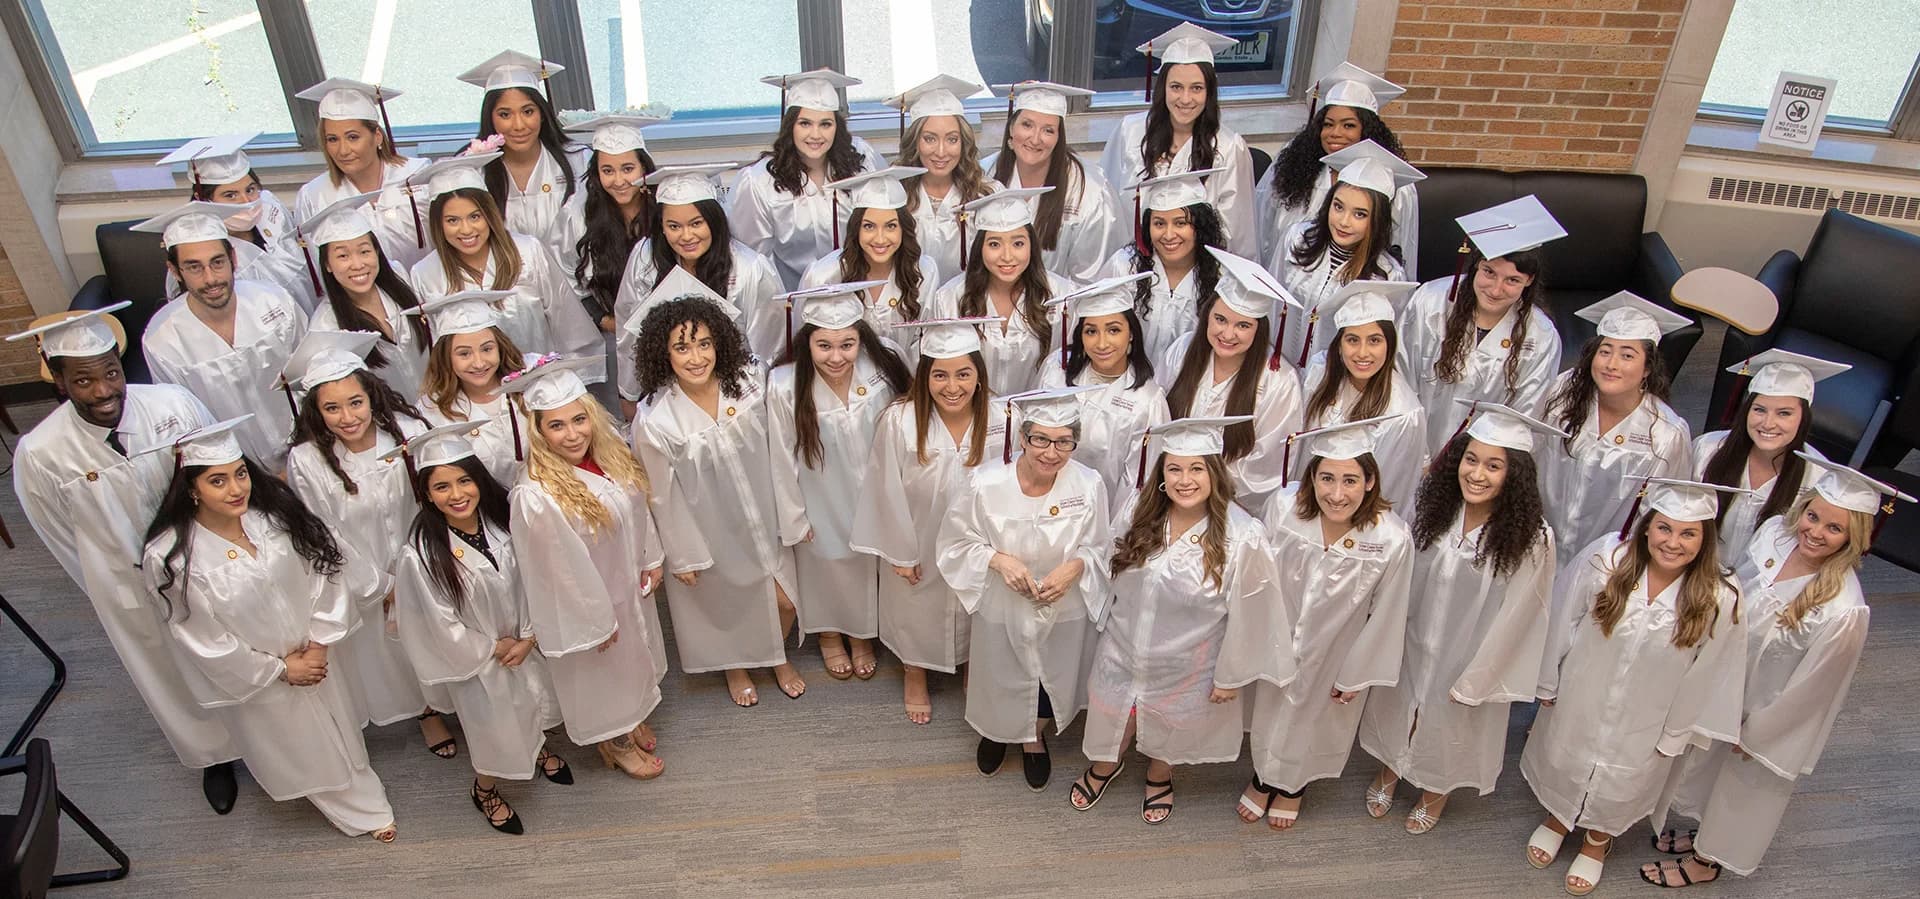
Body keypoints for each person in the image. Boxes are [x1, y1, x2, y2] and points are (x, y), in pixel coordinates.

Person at [8, 305, 238, 813]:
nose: (104, 390)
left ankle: (263, 738)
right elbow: (59, 536)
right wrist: (110, 584)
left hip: (205, 559)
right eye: (84, 380)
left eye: (111, 373)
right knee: (165, 668)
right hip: (126, 580)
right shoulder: (41, 453)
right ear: (61, 381)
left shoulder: (172, 405)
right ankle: (214, 755)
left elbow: (221, 469)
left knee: (234, 646)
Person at [1644, 456, 1902, 887]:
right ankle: (1699, 833)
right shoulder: (1772, 536)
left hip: (1767, 711)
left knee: (1742, 786)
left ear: (1853, 538)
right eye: (1814, 516)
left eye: (1834, 528)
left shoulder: (1844, 608)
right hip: (1726, 681)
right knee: (1705, 767)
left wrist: (1761, 732)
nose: (1816, 532)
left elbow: (1814, 690)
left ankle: (1708, 861)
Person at [139, 417, 397, 841]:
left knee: (339, 726)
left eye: (240, 474)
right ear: (192, 489)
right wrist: (280, 669)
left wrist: (318, 643)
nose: (236, 488)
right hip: (263, 675)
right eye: (217, 481)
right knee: (298, 742)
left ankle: (357, 780)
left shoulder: (275, 518)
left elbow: (325, 573)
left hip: (316, 655)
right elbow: (200, 637)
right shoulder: (172, 557)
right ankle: (356, 807)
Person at [1524, 478, 1748, 896]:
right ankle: (1557, 817)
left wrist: (1676, 731)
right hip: (1584, 690)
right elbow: (1563, 615)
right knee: (1566, 753)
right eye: (1664, 528)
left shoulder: (1719, 596)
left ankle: (1597, 839)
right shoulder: (1608, 558)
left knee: (1626, 776)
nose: (1673, 542)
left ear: (1706, 539)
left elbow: (1711, 673)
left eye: (1688, 533)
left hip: (1651, 711)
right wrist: (1546, 679)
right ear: (1647, 526)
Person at [1074, 416, 1294, 824]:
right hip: (1122, 647)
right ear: (1161, 474)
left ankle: (1160, 774)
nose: (1184, 480)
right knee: (1111, 710)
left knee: (1171, 723)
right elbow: (1109, 563)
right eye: (1174, 468)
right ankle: (1107, 763)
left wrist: (1231, 675)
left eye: (1196, 468)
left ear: (1214, 472)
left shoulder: (1243, 536)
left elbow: (1256, 610)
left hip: (1188, 661)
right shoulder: (1140, 510)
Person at [1356, 402, 1560, 834]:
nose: (1477, 474)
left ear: (1515, 475)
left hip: (1470, 652)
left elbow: (1522, 615)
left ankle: (1436, 790)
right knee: (1400, 705)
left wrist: (1481, 677)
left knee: (1453, 722)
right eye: (1470, 459)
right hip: (1415, 636)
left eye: (1493, 466)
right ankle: (1392, 768)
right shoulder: (1434, 507)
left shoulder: (1533, 538)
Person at [628, 277, 808, 707]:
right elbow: (661, 495)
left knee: (784, 599)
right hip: (710, 527)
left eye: (705, 344)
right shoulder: (655, 419)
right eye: (682, 347)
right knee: (726, 604)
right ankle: (737, 665)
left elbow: (781, 444)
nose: (696, 357)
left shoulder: (747, 381)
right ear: (663, 353)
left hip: (764, 513)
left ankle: (775, 652)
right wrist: (684, 554)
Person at [387, 422, 573, 834]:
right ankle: (485, 789)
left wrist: (529, 637)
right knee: (495, 733)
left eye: (464, 481)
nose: (456, 495)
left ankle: (539, 752)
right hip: (480, 662)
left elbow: (534, 579)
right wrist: (495, 646)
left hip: (525, 644)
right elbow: (436, 623)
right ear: (426, 494)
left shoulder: (504, 522)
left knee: (535, 705)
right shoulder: (420, 555)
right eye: (441, 487)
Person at [281, 331, 456, 754]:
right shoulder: (307, 461)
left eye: (355, 402)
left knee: (445, 634)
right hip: (364, 575)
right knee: (392, 653)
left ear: (372, 396)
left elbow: (435, 497)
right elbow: (324, 532)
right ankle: (426, 712)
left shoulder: (408, 433)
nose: (347, 416)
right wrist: (380, 585)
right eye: (332, 408)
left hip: (424, 558)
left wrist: (428, 561)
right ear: (316, 411)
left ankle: (457, 701)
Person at [1240, 417, 1414, 830]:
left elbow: (1390, 611)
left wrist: (1359, 673)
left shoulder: (1391, 538)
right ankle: (1263, 777)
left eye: (1351, 480)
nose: (1337, 494)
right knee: (1271, 711)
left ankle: (1294, 786)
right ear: (1312, 478)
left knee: (1316, 717)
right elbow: (1256, 576)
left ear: (1370, 481)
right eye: (1327, 478)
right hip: (1279, 636)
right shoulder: (1283, 509)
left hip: (1337, 650)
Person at [938, 386, 1113, 791]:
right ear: (1022, 437)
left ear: (1074, 442)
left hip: (1062, 602)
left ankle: (1034, 735)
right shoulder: (985, 482)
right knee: (999, 668)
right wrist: (998, 561)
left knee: (1050, 671)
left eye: (1064, 442)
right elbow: (956, 542)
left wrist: (1076, 567)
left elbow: (1101, 544)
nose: (1051, 452)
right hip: (1004, 602)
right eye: (1040, 440)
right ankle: (997, 731)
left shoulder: (1088, 485)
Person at [501, 355, 668, 778]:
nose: (572, 434)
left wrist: (650, 557)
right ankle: (615, 741)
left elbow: (636, 505)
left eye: (579, 419)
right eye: (556, 425)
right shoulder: (536, 495)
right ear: (538, 430)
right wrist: (594, 622)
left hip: (627, 584)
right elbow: (553, 572)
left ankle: (631, 716)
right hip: (593, 609)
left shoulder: (610, 455)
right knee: (601, 677)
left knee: (635, 660)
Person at [851, 317, 1006, 724]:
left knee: (979, 604)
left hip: (980, 543)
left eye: (963, 374)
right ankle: (914, 672)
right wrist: (900, 552)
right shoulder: (900, 420)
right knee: (916, 607)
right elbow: (884, 490)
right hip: (919, 537)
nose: (951, 386)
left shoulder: (1005, 418)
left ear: (979, 375)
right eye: (939, 374)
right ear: (924, 375)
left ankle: (976, 665)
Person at [767, 283, 914, 680]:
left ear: (860, 337)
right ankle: (830, 635)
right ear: (807, 343)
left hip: (873, 491)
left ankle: (863, 634)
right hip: (818, 494)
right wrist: (793, 518)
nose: (837, 357)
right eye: (824, 346)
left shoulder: (883, 368)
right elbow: (780, 456)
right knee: (827, 563)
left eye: (847, 344)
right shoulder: (783, 384)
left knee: (866, 563)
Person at [135, 201, 309, 472]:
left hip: (306, 447)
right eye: (194, 267)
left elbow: (311, 373)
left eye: (217, 262)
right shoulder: (162, 341)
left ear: (233, 259)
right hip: (234, 469)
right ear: (174, 270)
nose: (210, 279)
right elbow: (186, 423)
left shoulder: (275, 303)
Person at [1538, 292, 1695, 568]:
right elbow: (1533, 453)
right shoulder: (1564, 394)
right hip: (1540, 545)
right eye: (1605, 351)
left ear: (1647, 368)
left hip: (1608, 564)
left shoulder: (1665, 434)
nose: (1611, 365)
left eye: (1627, 355)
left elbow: (1664, 510)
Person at [1398, 196, 1566, 452]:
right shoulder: (1429, 303)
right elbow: (1401, 377)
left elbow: (1524, 415)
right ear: (1476, 265)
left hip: (1483, 461)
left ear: (1529, 280)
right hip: (1412, 447)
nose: (1496, 290)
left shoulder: (1540, 336)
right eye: (1489, 272)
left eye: (1512, 280)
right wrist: (1416, 455)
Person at [614, 163, 786, 407]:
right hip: (666, 395)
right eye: (674, 226)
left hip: (735, 396)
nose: (686, 237)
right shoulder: (645, 258)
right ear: (661, 227)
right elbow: (628, 328)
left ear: (714, 222)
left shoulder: (750, 269)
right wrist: (629, 394)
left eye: (696, 223)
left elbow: (770, 348)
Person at [408, 152, 602, 361]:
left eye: (475, 216)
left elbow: (568, 324)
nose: (466, 229)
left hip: (539, 383)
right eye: (452, 220)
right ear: (438, 224)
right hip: (474, 390)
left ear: (489, 214)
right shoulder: (425, 274)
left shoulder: (528, 251)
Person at [1157, 249, 1305, 512]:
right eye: (1220, 319)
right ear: (1207, 316)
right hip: (1168, 492)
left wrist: (1196, 487)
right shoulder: (1182, 351)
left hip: (1230, 508)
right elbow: (1156, 421)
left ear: (1260, 328)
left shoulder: (1279, 381)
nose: (1228, 334)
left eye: (1243, 325)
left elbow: (1266, 464)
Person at [1098, 22, 1257, 257]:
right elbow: (1108, 208)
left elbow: (1237, 233)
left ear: (1209, 92)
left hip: (1199, 272)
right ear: (1163, 89)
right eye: (1176, 87)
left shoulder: (1229, 147)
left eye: (1196, 88)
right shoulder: (1129, 132)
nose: (1185, 98)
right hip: (1134, 265)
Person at [731, 68, 889, 289]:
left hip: (862, 294)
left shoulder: (863, 162)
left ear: (837, 127)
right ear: (790, 126)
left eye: (826, 124)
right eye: (805, 123)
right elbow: (754, 262)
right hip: (796, 301)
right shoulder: (758, 182)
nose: (816, 135)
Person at [1257, 62, 1419, 278]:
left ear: (1367, 130)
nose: (1335, 133)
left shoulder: (1396, 187)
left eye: (1348, 125)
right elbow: (1262, 227)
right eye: (1328, 124)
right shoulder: (1293, 169)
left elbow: (1402, 249)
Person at [1694, 349, 1847, 572]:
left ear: (1803, 417)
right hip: (1696, 572)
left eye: (1784, 413)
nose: (1768, 423)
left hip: (1761, 588)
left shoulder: (1819, 477)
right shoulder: (1707, 449)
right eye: (1759, 410)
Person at [1272, 140, 1419, 369]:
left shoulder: (1387, 276)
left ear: (1377, 220)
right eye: (1338, 207)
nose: (1344, 221)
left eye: (1359, 214)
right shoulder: (1298, 239)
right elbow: (1273, 301)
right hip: (1281, 368)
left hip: (1334, 381)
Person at [924, 187, 1073, 395]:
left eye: (1018, 243)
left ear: (1032, 245)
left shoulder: (1060, 295)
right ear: (979, 247)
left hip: (1041, 418)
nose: (1007, 256)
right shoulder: (950, 298)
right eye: (994, 244)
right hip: (975, 417)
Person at [1039, 272, 1170, 502]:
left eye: (1113, 330)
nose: (1101, 343)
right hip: (1043, 506)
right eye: (1091, 331)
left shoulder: (1147, 401)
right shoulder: (1056, 370)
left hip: (1103, 516)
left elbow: (1139, 483)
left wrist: (1110, 532)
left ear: (1131, 334)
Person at [1297, 282, 1426, 510]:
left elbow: (1391, 490)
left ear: (1390, 344)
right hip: (1310, 503)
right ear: (1339, 345)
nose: (1363, 353)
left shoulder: (1404, 414)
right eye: (1352, 340)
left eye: (1374, 340)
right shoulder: (1319, 372)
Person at [458, 51, 589, 275]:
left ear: (542, 113)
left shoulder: (578, 160)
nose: (518, 125)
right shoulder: (471, 170)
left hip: (577, 290)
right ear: (490, 118)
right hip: (508, 297)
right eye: (505, 114)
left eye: (528, 111)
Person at [983, 81, 1126, 283]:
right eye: (1027, 125)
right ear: (1011, 129)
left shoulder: (1090, 189)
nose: (1035, 138)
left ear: (1059, 137)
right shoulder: (984, 176)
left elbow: (1093, 277)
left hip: (1061, 307)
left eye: (1048, 130)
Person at [156, 132, 317, 309]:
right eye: (230, 195)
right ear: (202, 199)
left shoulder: (271, 209)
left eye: (250, 189)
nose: (247, 202)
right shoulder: (195, 243)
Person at [565, 112, 663, 396]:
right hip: (612, 338)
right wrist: (608, 322)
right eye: (608, 171)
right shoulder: (579, 217)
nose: (618, 180)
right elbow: (567, 283)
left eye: (628, 169)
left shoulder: (665, 209)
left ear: (644, 168)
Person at [292, 78, 435, 272]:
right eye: (332, 139)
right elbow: (318, 268)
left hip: (430, 291)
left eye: (353, 137)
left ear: (377, 136)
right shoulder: (314, 195)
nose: (343, 150)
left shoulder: (418, 174)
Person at [302, 192, 431, 398]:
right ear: (327, 264)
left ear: (377, 252)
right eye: (343, 256)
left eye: (364, 251)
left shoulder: (400, 278)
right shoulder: (327, 327)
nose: (358, 264)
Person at [800, 166, 939, 354]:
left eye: (890, 226)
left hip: (906, 378)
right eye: (869, 226)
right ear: (856, 229)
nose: (880, 239)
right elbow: (804, 342)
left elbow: (923, 342)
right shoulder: (823, 275)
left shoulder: (924, 271)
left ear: (903, 229)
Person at [1102, 168, 1230, 364]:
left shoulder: (1222, 274)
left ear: (1199, 226)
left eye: (1180, 223)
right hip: (1130, 383)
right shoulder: (1125, 266)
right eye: (1159, 224)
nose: (1169, 235)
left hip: (1192, 383)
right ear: (1147, 226)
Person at [885, 75, 1000, 282]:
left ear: (963, 142)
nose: (941, 151)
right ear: (915, 142)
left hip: (967, 307)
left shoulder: (988, 194)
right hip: (907, 306)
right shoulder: (892, 193)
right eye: (929, 139)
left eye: (952, 139)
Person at [412, 290, 533, 485]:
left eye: (487, 349)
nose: (478, 363)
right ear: (446, 358)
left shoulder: (531, 383)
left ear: (500, 347)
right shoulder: (432, 411)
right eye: (464, 354)